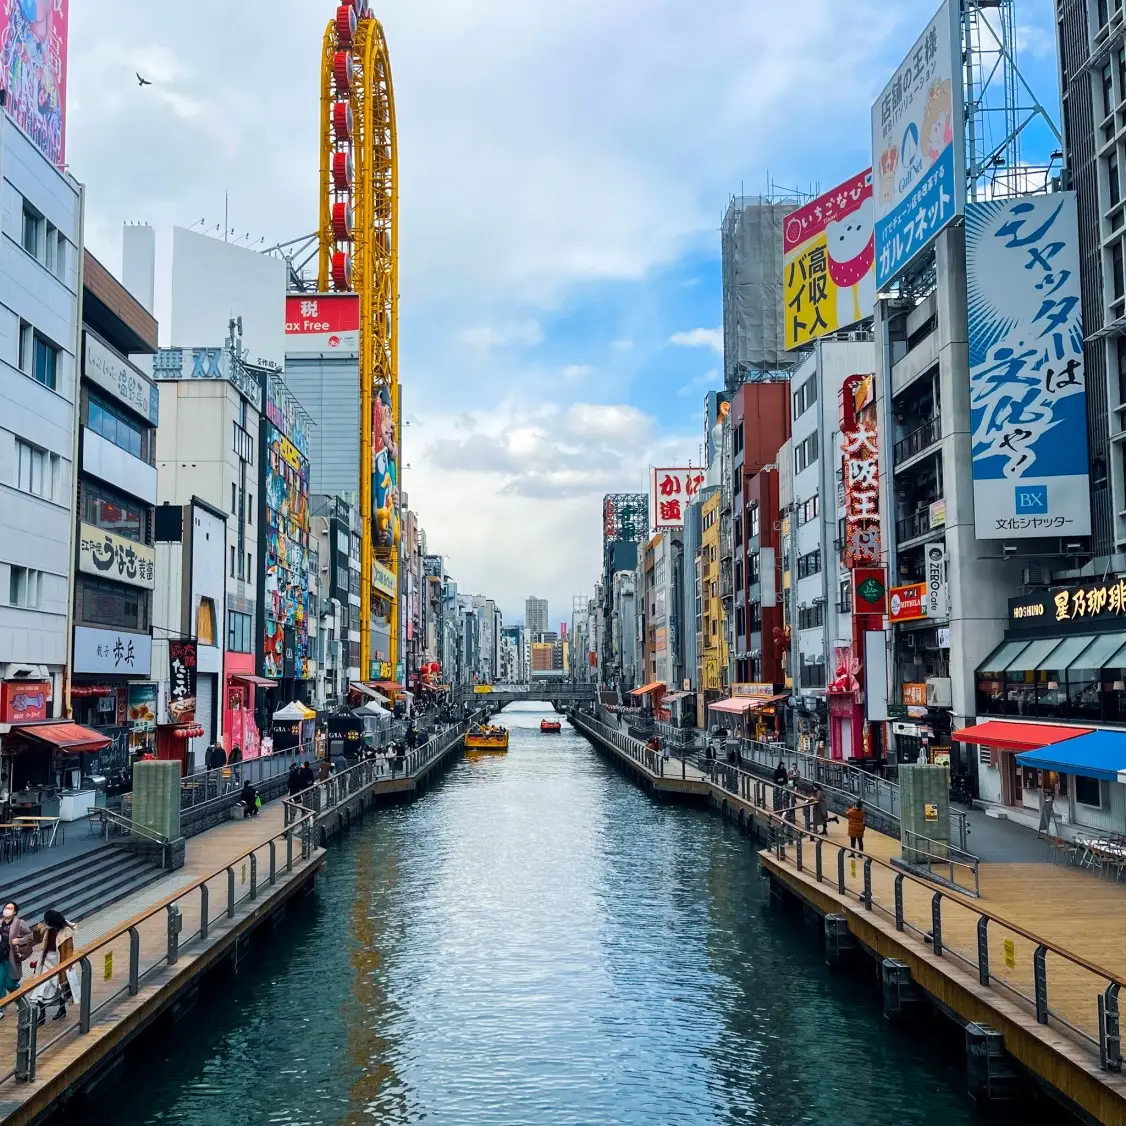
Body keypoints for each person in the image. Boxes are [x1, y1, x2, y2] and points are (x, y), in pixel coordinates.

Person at [28, 910, 76, 1023]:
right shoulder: (48, 929)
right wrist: (36, 930)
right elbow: (38, 939)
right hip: (45, 961)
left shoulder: (66, 931)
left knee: (58, 987)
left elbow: (68, 951)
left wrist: (65, 967)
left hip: (58, 961)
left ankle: (62, 1009)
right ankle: (42, 1014)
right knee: (41, 986)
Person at [0, 902, 33, 1005]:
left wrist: (19, 941)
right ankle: (1, 1007)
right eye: (6, 907)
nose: (7, 910)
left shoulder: (19, 923)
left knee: (10, 984)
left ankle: (20, 1000)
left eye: (10, 908)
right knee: (0, 983)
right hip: (0, 957)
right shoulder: (0, 922)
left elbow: (30, 936)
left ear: (14, 912)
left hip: (11, 958)